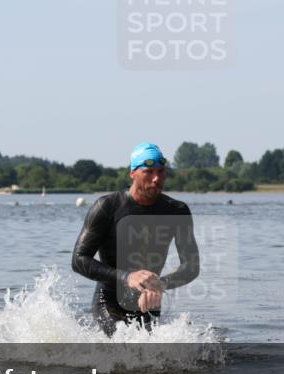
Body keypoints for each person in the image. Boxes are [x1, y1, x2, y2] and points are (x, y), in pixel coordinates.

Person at [72, 142, 200, 336]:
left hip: (148, 301)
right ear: (133, 173)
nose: (157, 179)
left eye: (161, 171)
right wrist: (126, 277)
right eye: (149, 172)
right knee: (124, 347)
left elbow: (191, 266)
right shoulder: (107, 207)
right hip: (109, 300)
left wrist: (160, 284)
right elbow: (79, 259)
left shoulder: (177, 211)